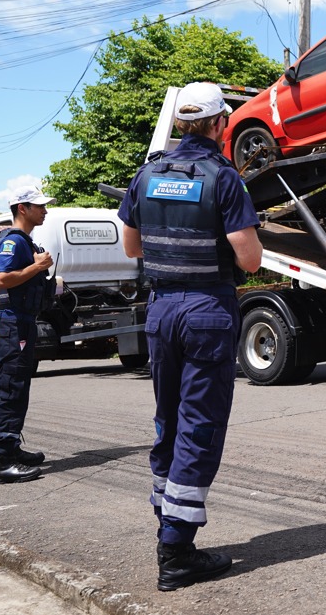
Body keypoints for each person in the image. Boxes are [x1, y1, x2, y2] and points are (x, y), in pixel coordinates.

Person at [118, 81, 262, 593]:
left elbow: (133, 247)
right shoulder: (224, 179)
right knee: (199, 425)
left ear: (181, 124)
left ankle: (167, 524)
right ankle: (176, 553)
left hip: (160, 312)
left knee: (168, 421)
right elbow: (249, 259)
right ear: (221, 124)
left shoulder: (147, 174)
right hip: (205, 310)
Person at [0, 185, 55, 485]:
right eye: (39, 206)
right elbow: (0, 279)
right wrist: (36, 266)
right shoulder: (13, 242)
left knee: (19, 388)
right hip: (13, 324)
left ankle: (12, 448)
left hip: (23, 322)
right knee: (10, 388)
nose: (45, 210)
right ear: (22, 208)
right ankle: (2, 462)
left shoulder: (27, 242)